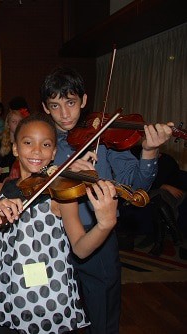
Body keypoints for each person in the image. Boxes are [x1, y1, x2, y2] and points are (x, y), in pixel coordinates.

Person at [41, 66, 173, 333]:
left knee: (101, 310)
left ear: (84, 101)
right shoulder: (40, 139)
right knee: (49, 310)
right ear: (45, 108)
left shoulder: (105, 138)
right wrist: (58, 170)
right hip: (48, 236)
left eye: (70, 103)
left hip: (97, 233)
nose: (64, 114)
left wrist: (149, 151)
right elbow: (27, 180)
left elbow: (136, 188)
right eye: (55, 106)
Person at [0, 113, 120, 333]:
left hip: (46, 294)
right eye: (27, 143)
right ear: (15, 148)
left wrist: (104, 225)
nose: (36, 150)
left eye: (45, 144)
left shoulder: (60, 195)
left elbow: (80, 249)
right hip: (6, 287)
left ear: (53, 153)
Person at [0, 97, 30, 183]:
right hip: (3, 183)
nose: (17, 124)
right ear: (8, 124)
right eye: (14, 122)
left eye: (20, 122)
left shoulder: (27, 144)